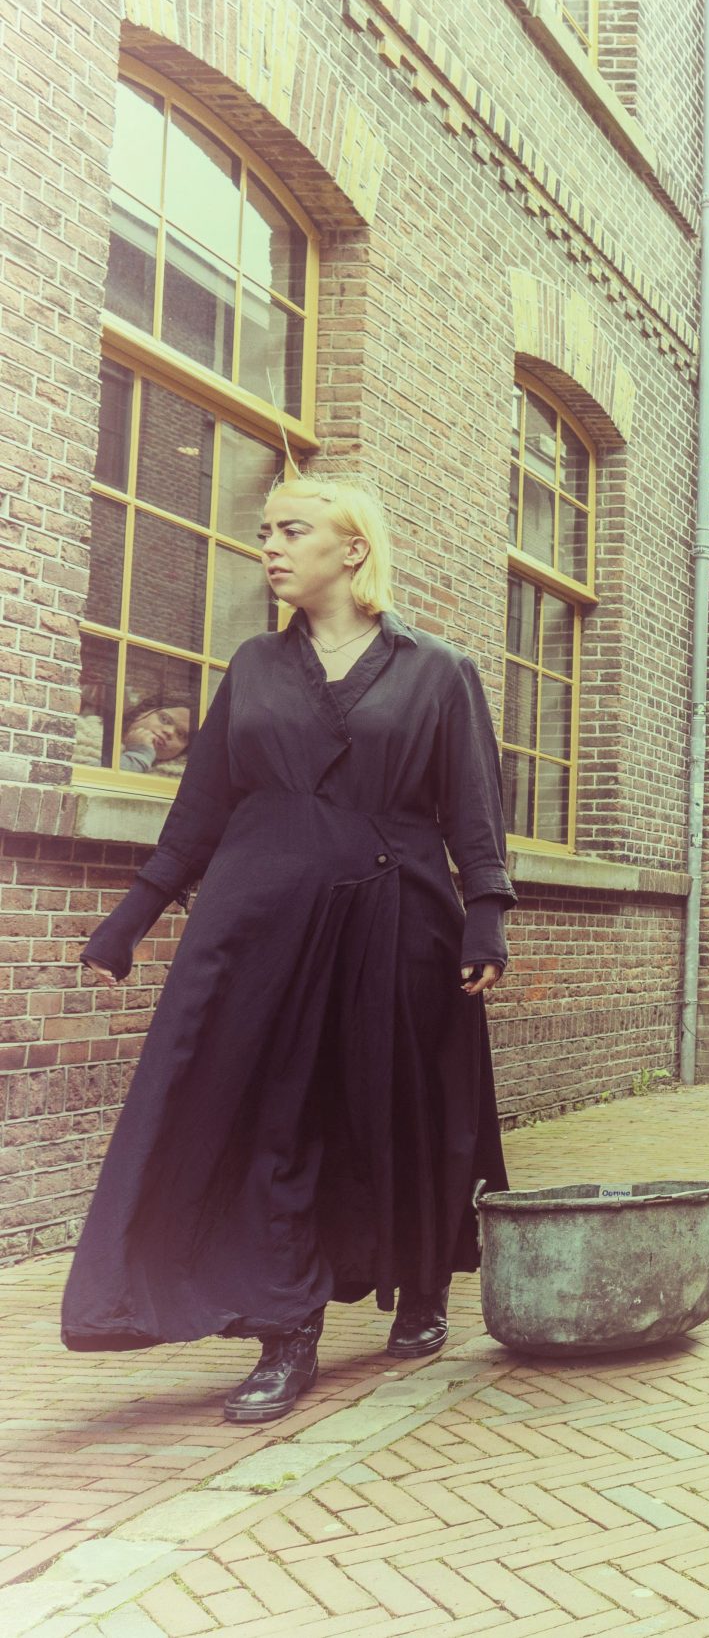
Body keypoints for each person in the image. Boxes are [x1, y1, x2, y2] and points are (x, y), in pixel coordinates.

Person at [69, 475, 512, 1425]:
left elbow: (473, 808)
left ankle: (422, 1280)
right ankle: (287, 1330)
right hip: (264, 920)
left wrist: (486, 914)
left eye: (291, 530)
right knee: (277, 1119)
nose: (267, 546)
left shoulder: (439, 671)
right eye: (264, 530)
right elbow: (201, 808)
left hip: (397, 919)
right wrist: (131, 919)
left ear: (352, 550)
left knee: (397, 1110)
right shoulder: (255, 667)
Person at [118, 703, 195, 773]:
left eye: (181, 734)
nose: (169, 731)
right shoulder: (110, 734)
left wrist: (139, 753)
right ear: (141, 712)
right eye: (164, 719)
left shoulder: (180, 774)